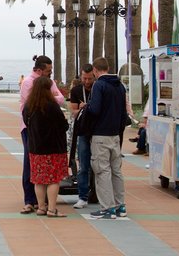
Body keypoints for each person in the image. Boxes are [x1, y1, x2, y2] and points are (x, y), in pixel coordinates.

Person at [19, 55, 65, 214]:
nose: (50, 73)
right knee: (30, 163)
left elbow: (61, 98)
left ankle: (43, 202)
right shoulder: (27, 82)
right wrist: (50, 98)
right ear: (39, 70)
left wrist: (47, 97)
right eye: (48, 70)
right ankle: (30, 200)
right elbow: (29, 103)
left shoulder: (49, 82)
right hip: (29, 128)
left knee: (43, 165)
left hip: (46, 129)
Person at [85, 57, 128, 219]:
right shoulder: (120, 86)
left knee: (102, 170)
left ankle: (107, 208)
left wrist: (87, 108)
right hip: (115, 135)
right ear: (108, 68)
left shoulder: (99, 85)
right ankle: (120, 205)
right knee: (116, 171)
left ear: (95, 70)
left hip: (100, 134)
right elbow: (124, 112)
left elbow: (95, 110)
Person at [68, 64, 95, 209]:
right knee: (83, 165)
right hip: (83, 131)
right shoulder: (76, 90)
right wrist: (82, 108)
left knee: (99, 166)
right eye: (84, 78)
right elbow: (72, 112)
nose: (87, 81)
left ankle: (98, 194)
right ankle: (82, 196)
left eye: (90, 78)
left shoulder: (98, 89)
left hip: (97, 131)